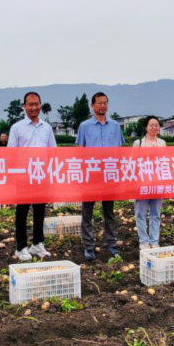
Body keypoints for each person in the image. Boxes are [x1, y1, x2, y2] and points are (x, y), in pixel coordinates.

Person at [76, 92, 125, 261]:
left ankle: (111, 244)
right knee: (87, 212)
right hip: (91, 175)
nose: (103, 106)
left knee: (109, 212)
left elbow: (120, 151)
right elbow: (80, 152)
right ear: (93, 106)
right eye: (99, 103)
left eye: (105, 102)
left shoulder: (115, 126)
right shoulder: (85, 126)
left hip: (109, 175)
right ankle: (88, 247)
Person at [8, 92, 57, 261]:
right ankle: (20, 247)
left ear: (40, 105)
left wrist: (51, 173)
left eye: (37, 104)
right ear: (24, 106)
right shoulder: (17, 128)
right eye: (30, 104)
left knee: (39, 211)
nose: (34, 107)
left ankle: (37, 243)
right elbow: (11, 154)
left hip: (41, 176)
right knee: (21, 212)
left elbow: (52, 152)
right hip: (23, 177)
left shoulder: (47, 128)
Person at [133, 116, 165, 250]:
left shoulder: (162, 143)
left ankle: (154, 240)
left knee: (155, 214)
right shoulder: (138, 143)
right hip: (143, 183)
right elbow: (133, 163)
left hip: (157, 183)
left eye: (156, 125)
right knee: (140, 213)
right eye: (151, 125)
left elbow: (165, 162)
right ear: (146, 127)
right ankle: (144, 241)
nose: (154, 128)